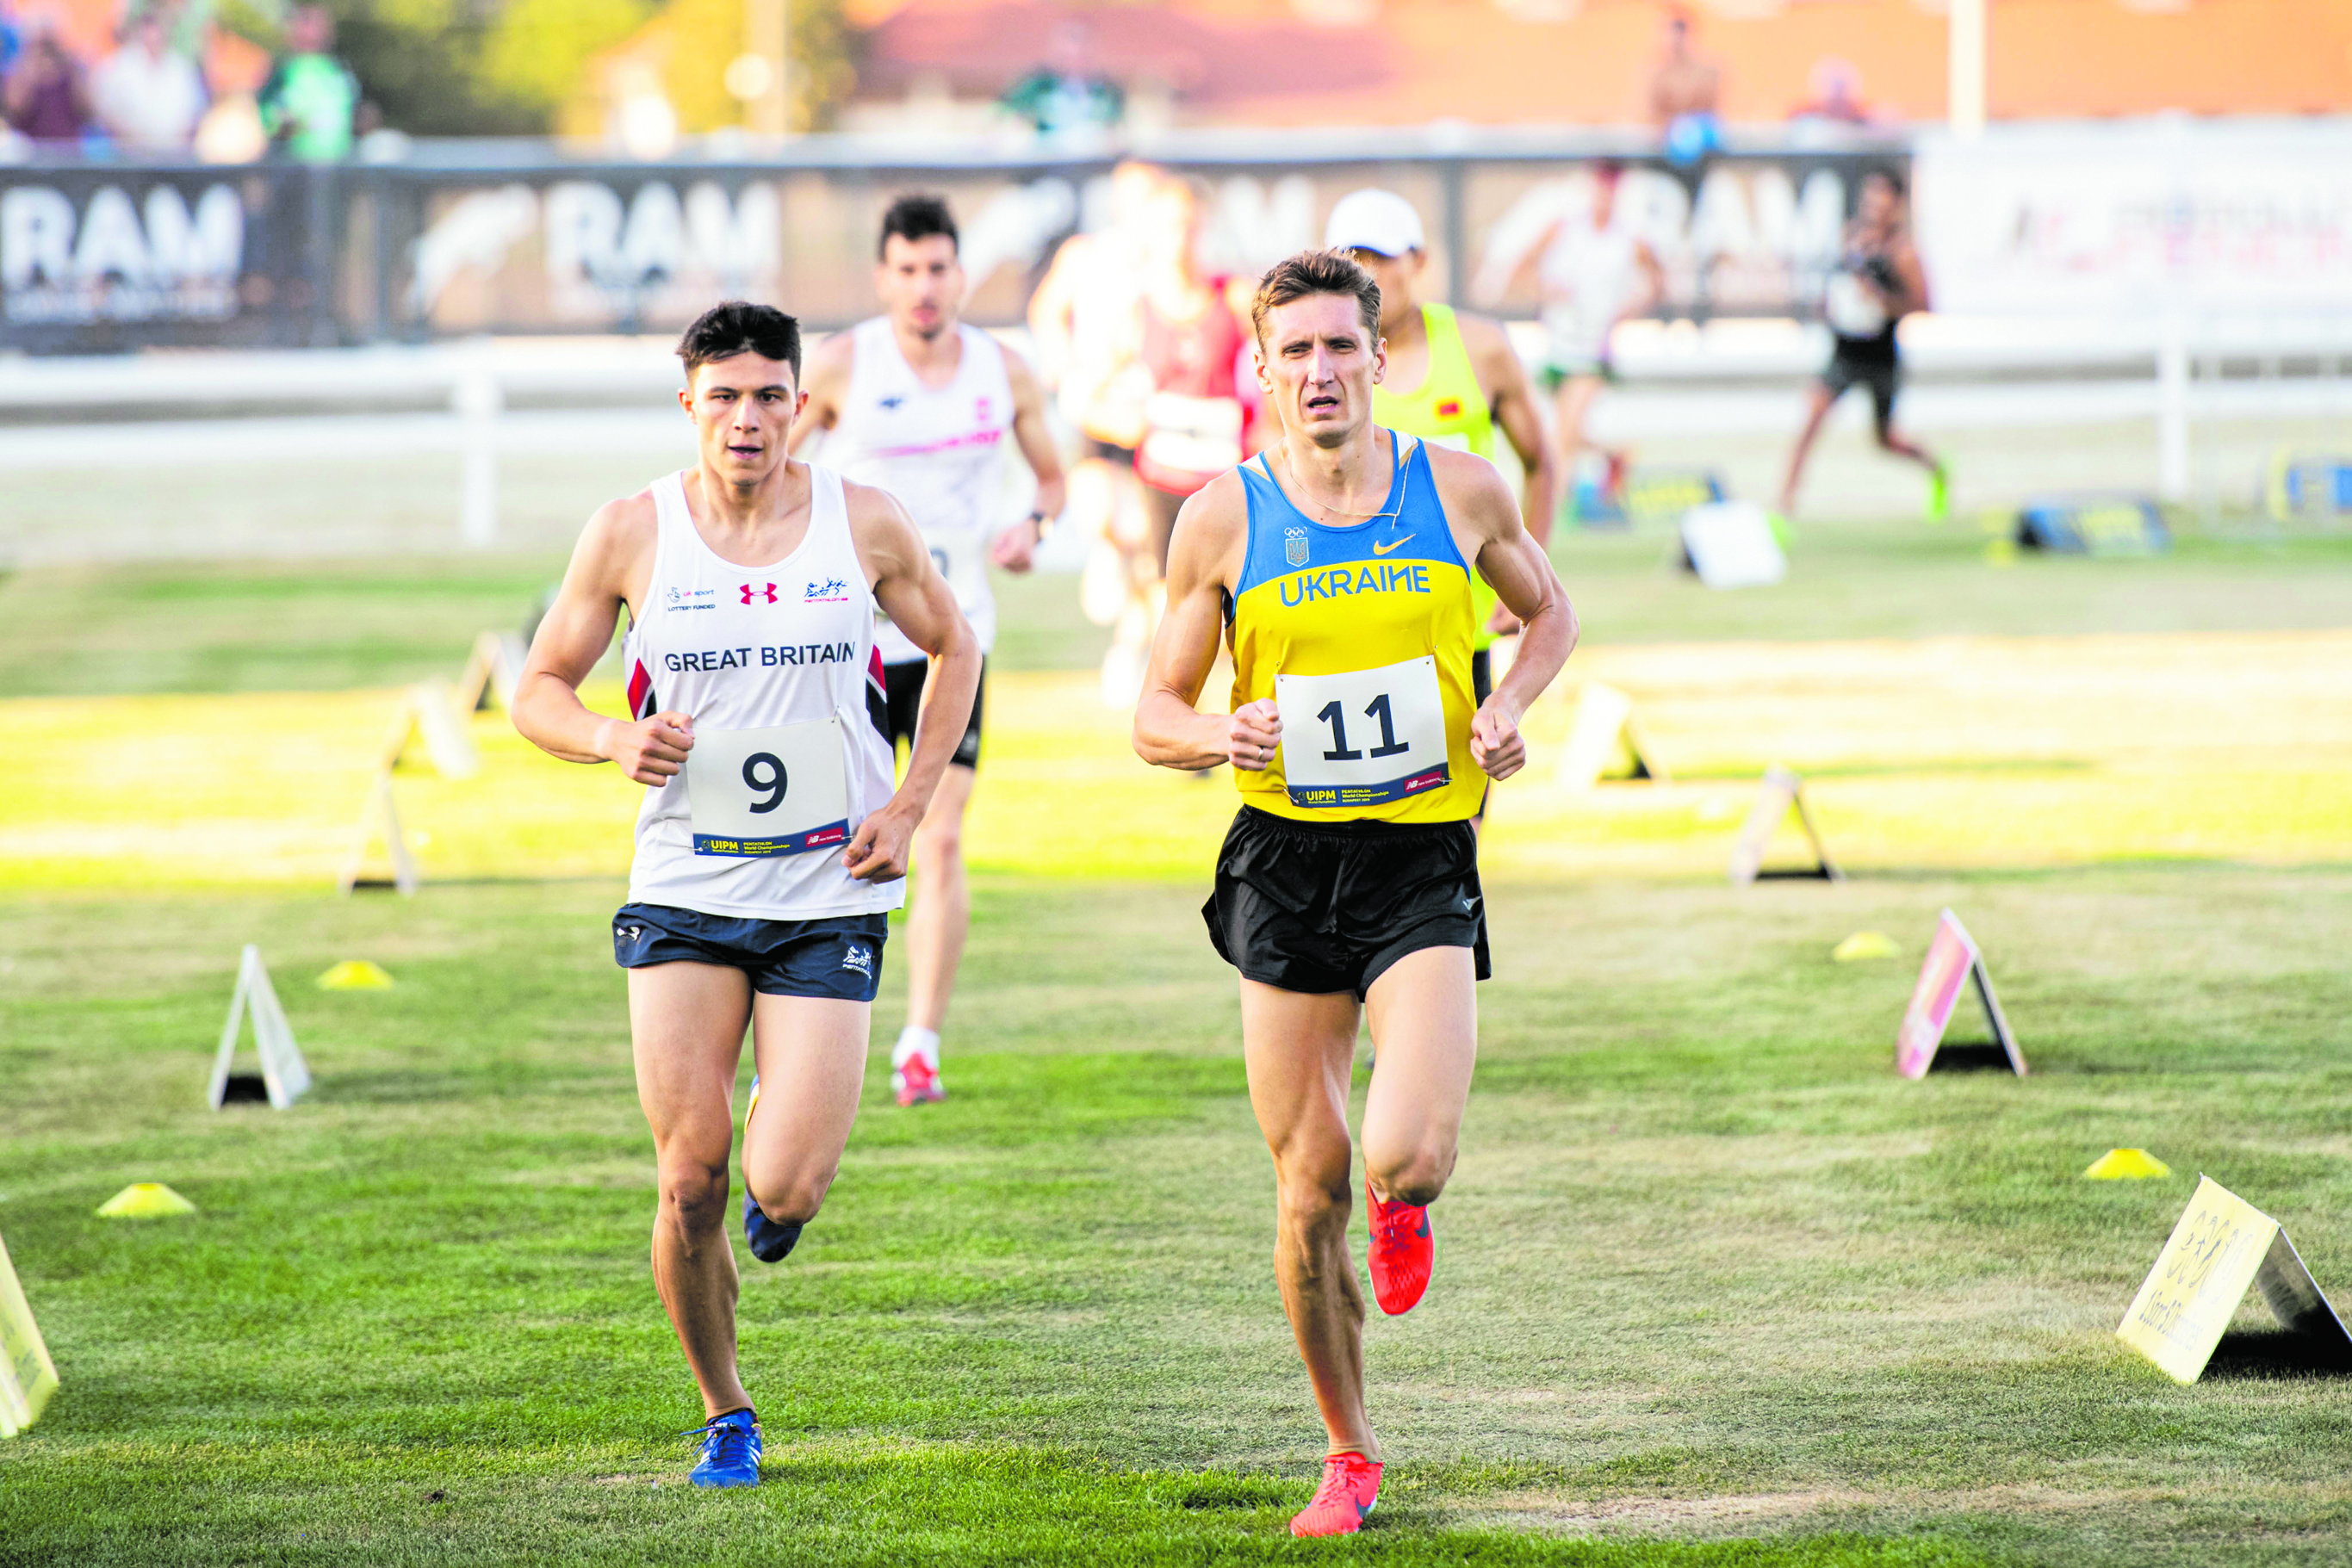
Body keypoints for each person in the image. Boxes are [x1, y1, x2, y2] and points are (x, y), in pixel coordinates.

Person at [1133, 251, 1576, 1538]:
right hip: (1281, 862)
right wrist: (1223, 737)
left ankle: (1405, 1205)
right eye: (1295, 354)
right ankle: (1348, 1451)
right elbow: (1153, 715)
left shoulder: (1459, 488)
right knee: (1303, 1184)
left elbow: (1547, 617)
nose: (1319, 373)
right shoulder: (1219, 518)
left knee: (1403, 1155)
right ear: (1259, 372)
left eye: (1341, 348)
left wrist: (1502, 711)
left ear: (1383, 359)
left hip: (1416, 858)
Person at [512, 301, 980, 1490]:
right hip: (682, 887)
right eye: (722, 396)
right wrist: (610, 742)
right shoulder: (630, 531)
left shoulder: (860, 521)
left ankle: (786, 1123)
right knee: (689, 1175)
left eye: (769, 395)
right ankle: (726, 1410)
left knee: (784, 1186)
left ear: (798, 404)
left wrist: (911, 803)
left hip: (828, 887)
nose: (747, 418)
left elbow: (955, 649)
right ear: (689, 406)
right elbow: (538, 689)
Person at [791, 193, 1067, 1107]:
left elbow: (1053, 478)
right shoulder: (842, 366)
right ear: (884, 277)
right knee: (829, 840)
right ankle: (810, 1029)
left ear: (959, 274)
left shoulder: (1003, 369)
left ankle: (920, 1041)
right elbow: (758, 478)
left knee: (938, 839)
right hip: (850, 648)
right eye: (906, 270)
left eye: (938, 268)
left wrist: (1030, 524)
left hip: (957, 642)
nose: (923, 286)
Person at [1322, 187, 1555, 823]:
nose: (1365, 276)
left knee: (1454, 824)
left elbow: (1540, 461)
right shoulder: (1317, 366)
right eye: (1350, 258)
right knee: (1351, 820)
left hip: (1459, 627)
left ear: (1417, 261)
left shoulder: (1479, 349)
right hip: (1349, 621)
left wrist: (1523, 578)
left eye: (1380, 258)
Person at [1777, 169, 1947, 522]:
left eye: (1883, 197)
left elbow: (1924, 305)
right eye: (1871, 195)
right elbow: (1839, 287)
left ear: (1897, 204)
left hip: (1880, 355)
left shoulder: (1903, 252)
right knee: (1811, 418)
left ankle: (1936, 468)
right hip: (1844, 350)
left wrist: (1882, 301)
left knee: (1885, 440)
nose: (1875, 205)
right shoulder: (1851, 238)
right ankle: (1783, 506)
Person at [1527, 163, 1661, 524]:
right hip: (1560, 342)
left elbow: (1656, 280)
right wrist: (1548, 290)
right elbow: (1527, 268)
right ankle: (1614, 455)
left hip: (1595, 346)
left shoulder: (1629, 239)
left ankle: (1550, 514)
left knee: (1563, 435)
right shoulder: (1566, 229)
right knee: (1565, 430)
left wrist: (1628, 309)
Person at [91, 10, 207, 152]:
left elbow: (195, 113)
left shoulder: (182, 69)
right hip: (131, 157)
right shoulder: (118, 67)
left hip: (174, 158)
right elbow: (106, 112)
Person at [257, 5, 357, 162]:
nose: (314, 30)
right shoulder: (284, 71)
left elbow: (351, 114)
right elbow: (266, 117)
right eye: (307, 22)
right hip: (295, 166)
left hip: (338, 166)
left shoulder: (339, 70)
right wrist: (289, 124)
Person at [1648, 8, 1721, 169]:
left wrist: (1689, 125)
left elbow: (1714, 110)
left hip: (1701, 147)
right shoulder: (1657, 74)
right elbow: (1650, 114)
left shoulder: (1708, 71)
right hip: (1667, 146)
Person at [3, 19, 91, 147]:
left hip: (69, 151)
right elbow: (15, 108)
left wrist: (71, 64)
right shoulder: (22, 71)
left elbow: (86, 109)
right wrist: (30, 63)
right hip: (32, 152)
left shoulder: (70, 71)